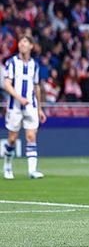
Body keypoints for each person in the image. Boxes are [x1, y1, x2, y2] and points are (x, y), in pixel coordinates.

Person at [3, 35, 47, 179]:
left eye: (25, 42)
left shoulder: (34, 65)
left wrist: (39, 108)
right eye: (21, 42)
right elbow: (7, 84)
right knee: (12, 138)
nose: (22, 44)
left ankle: (32, 170)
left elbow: (36, 87)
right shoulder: (12, 63)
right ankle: (7, 166)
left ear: (31, 46)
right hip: (15, 106)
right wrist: (19, 98)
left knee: (31, 136)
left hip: (31, 106)